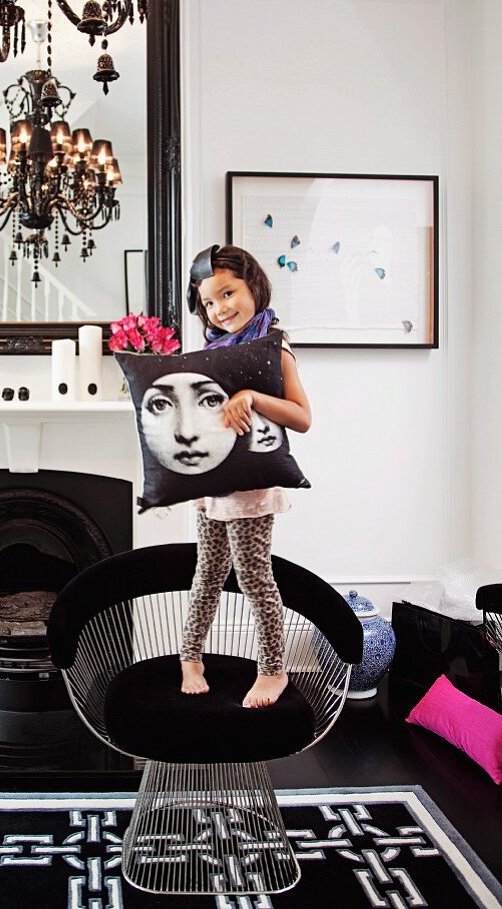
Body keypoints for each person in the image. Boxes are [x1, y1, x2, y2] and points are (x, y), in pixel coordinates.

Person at [179, 244, 312, 708]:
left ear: (253, 285)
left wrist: (252, 397)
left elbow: (301, 416)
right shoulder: (211, 350)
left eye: (228, 293)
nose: (220, 308)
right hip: (214, 484)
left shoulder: (276, 345)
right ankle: (189, 656)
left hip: (252, 484)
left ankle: (274, 669)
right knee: (208, 572)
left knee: (255, 575)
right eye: (209, 303)